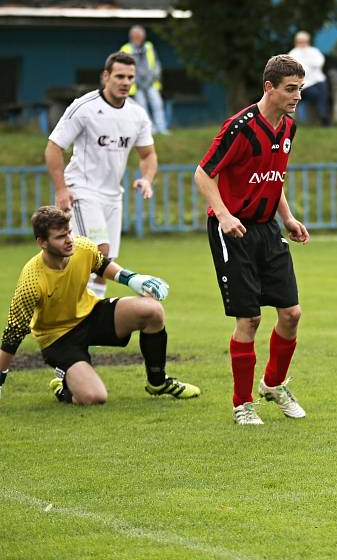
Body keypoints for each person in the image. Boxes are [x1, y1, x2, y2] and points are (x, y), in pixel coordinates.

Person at [194, 54, 310, 425]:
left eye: (300, 89)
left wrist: (288, 218)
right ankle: (242, 404)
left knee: (291, 314)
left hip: (267, 229)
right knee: (250, 319)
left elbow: (272, 179)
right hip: (234, 230)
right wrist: (225, 215)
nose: (297, 97)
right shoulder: (240, 127)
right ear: (269, 88)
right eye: (290, 89)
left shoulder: (288, 128)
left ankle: (273, 385)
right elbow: (203, 174)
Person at [0, 206, 199, 404]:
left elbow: (102, 265)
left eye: (69, 232)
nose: (69, 240)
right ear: (42, 242)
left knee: (152, 310)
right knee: (94, 397)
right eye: (61, 237)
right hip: (58, 338)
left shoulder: (82, 247)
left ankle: (158, 382)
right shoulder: (31, 280)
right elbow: (13, 333)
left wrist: (132, 279)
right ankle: (63, 385)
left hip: (90, 315)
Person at [45, 51, 157, 299]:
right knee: (99, 251)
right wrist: (62, 189)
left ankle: (86, 320)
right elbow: (54, 147)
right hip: (82, 190)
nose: (126, 82)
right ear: (106, 76)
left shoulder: (137, 114)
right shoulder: (84, 107)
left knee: (103, 265)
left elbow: (148, 155)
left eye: (130, 77)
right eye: (119, 76)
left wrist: (146, 178)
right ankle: (70, 312)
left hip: (113, 196)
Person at [121, 25, 170, 134]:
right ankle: (150, 129)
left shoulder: (149, 46)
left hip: (151, 82)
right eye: (136, 36)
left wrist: (156, 75)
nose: (138, 38)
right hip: (136, 84)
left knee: (157, 104)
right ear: (132, 37)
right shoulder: (126, 49)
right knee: (142, 107)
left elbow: (156, 62)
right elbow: (123, 67)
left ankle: (162, 128)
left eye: (140, 36)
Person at [288, 31, 331, 127]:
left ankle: (323, 113)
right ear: (296, 42)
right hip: (302, 85)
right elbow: (298, 70)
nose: (303, 44)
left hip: (318, 81)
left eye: (305, 41)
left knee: (323, 90)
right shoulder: (293, 54)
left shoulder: (314, 51)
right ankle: (322, 113)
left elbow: (319, 63)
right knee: (317, 94)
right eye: (300, 41)